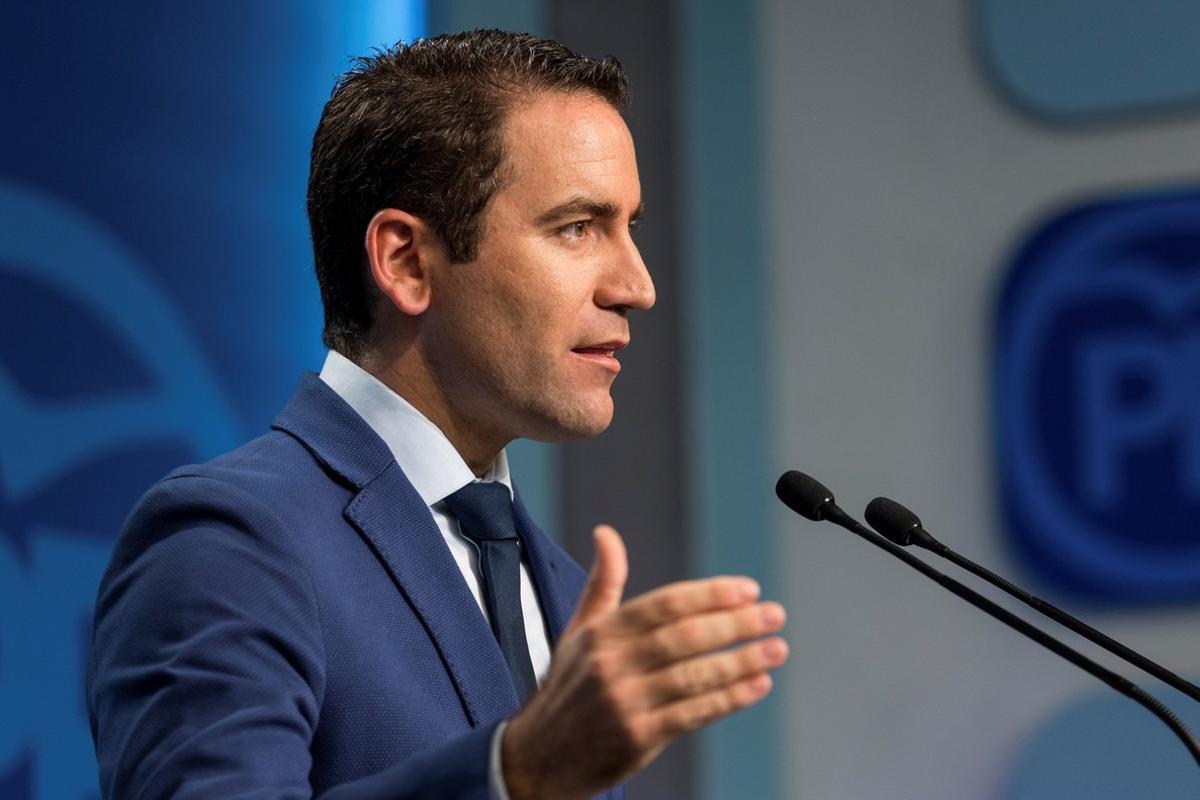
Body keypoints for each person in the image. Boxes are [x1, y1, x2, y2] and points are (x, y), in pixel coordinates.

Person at [87, 30, 789, 800]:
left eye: (631, 228)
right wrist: (514, 773)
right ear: (406, 262)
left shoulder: (557, 582)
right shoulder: (229, 543)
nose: (637, 285)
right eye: (577, 228)